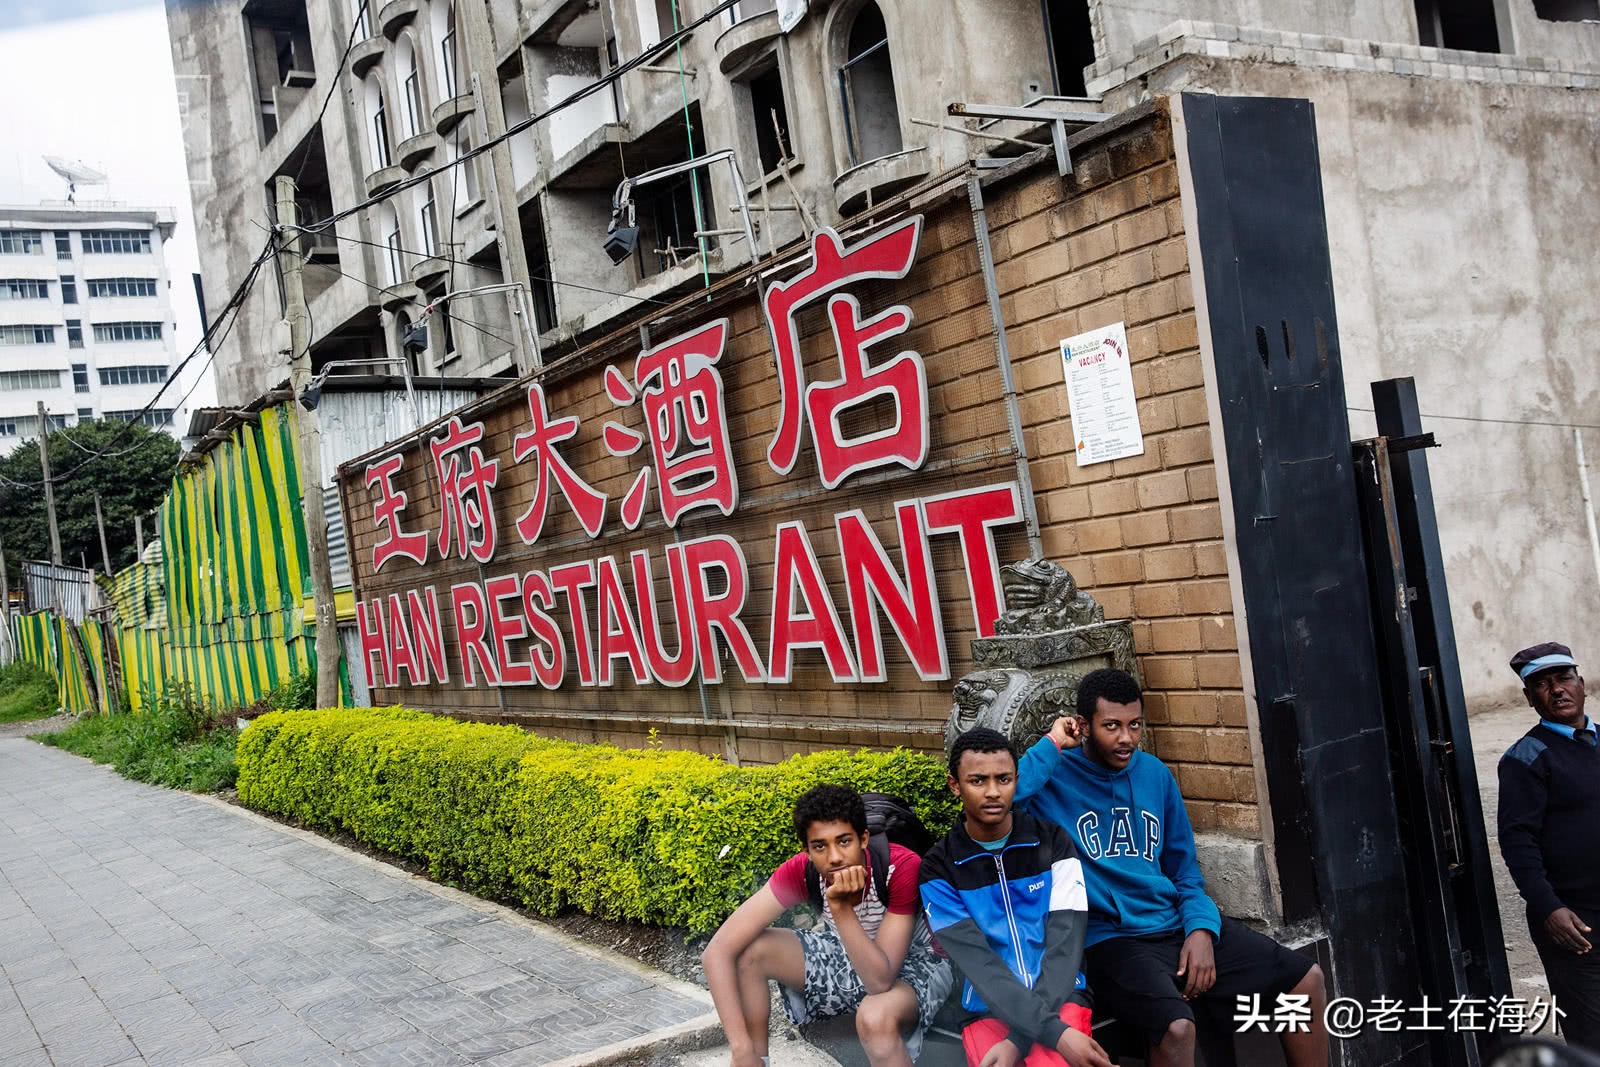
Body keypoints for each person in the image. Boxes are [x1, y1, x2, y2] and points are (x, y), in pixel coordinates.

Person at [1014, 668, 1328, 1067]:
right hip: (1110, 939)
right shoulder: (1054, 777)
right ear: (1084, 725)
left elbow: (1184, 871)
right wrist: (1053, 743)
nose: (1126, 738)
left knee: (1306, 980)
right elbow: (1002, 802)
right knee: (1177, 1028)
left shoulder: (1154, 775)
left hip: (1173, 924)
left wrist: (1200, 929)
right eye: (1111, 726)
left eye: (1134, 725)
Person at [702, 784, 953, 1067]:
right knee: (751, 951)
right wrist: (740, 1048)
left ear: (863, 839)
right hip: (848, 951)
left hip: (916, 963)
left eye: (844, 841)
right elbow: (717, 951)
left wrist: (840, 908)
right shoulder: (801, 870)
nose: (834, 857)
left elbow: (879, 982)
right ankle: (755, 1061)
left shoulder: (899, 866)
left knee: (875, 1017)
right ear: (807, 851)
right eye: (820, 846)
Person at [919, 727, 1113, 1067]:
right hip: (985, 1007)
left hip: (1062, 994)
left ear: (1016, 780)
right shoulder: (939, 868)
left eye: (1003, 779)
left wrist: (1023, 1040)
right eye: (978, 781)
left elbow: (1065, 946)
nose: (993, 792)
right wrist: (1050, 1034)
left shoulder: (1053, 842)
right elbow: (979, 964)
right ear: (955, 785)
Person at [1497, 641, 1600, 1053]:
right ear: (1529, 698)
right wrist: (1549, 909)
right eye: (1542, 684)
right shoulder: (1525, 758)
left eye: (1564, 678)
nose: (1556, 690)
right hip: (1575, 922)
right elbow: (1517, 841)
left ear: (1582, 684)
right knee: (1591, 1039)